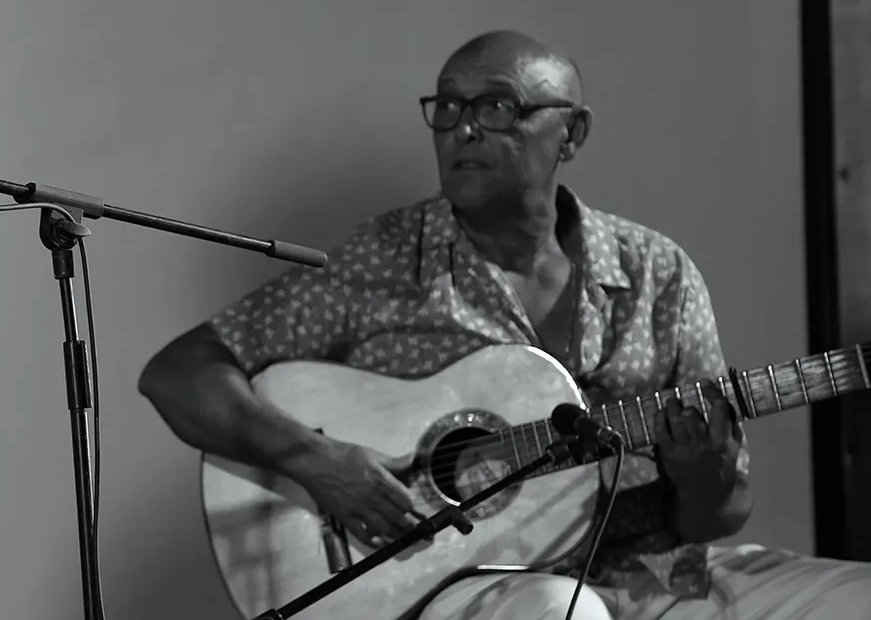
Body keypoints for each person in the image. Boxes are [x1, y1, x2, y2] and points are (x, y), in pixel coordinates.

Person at [138, 30, 871, 619]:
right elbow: (179, 375)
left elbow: (717, 517)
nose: (462, 130)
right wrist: (320, 464)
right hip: (478, 587)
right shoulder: (383, 261)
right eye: (447, 108)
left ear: (572, 134)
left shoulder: (657, 270)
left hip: (657, 574)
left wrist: (703, 470)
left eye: (495, 108)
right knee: (560, 610)